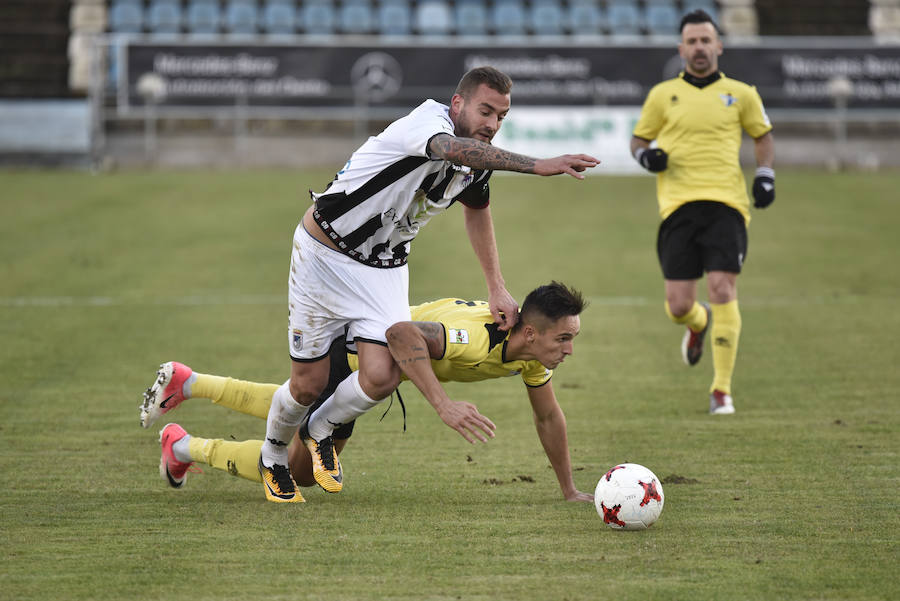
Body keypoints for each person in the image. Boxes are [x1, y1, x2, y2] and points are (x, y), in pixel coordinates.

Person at [255, 66, 598, 502]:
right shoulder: (427, 124)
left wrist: (496, 286)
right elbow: (452, 150)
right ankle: (272, 454)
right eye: (485, 111)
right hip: (323, 255)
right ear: (458, 104)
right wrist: (537, 165)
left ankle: (319, 430)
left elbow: (477, 210)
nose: (492, 125)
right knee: (306, 384)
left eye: (501, 117)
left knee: (381, 375)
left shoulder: (478, 163)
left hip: (383, 268)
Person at [142, 283, 594, 503]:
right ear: (531, 333)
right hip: (355, 355)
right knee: (298, 470)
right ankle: (182, 446)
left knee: (292, 410)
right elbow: (401, 334)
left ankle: (190, 383)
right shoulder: (474, 338)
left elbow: (549, 417)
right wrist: (444, 404)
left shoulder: (532, 357)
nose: (570, 350)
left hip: (369, 373)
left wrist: (570, 490)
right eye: (564, 339)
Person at [630, 10, 775, 415]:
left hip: (727, 205)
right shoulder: (662, 95)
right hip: (677, 206)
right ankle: (698, 322)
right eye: (691, 42)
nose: (698, 48)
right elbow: (638, 140)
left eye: (705, 41)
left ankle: (721, 391)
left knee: (724, 289)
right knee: (678, 306)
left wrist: (765, 174)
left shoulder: (742, 93)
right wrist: (647, 157)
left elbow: (762, 136)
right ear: (681, 49)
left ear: (718, 45)